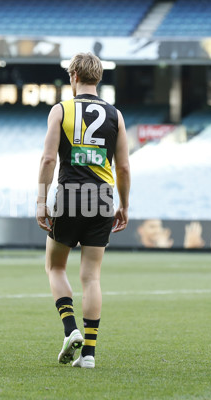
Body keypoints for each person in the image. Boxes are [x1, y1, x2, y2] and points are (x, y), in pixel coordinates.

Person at [36, 53, 131, 369]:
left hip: (69, 195)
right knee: (91, 276)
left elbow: (49, 160)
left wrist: (41, 200)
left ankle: (70, 328)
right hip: (103, 198)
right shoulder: (115, 115)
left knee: (55, 267)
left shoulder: (61, 110)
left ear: (74, 75)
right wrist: (124, 204)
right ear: (98, 77)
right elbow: (124, 167)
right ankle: (89, 354)